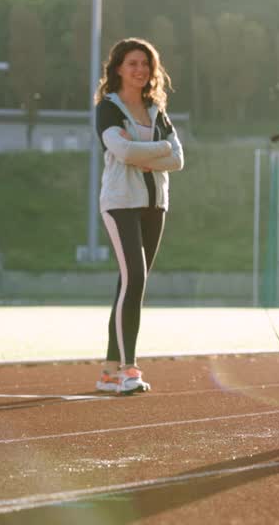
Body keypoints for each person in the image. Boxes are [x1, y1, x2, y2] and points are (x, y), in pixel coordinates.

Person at [92, 37, 185, 395]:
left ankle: (108, 371)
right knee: (135, 278)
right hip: (119, 202)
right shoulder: (109, 108)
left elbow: (178, 159)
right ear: (118, 68)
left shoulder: (156, 109)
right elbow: (122, 150)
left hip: (154, 203)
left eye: (145, 63)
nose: (140, 70)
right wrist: (160, 149)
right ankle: (129, 370)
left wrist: (150, 153)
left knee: (129, 283)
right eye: (132, 63)